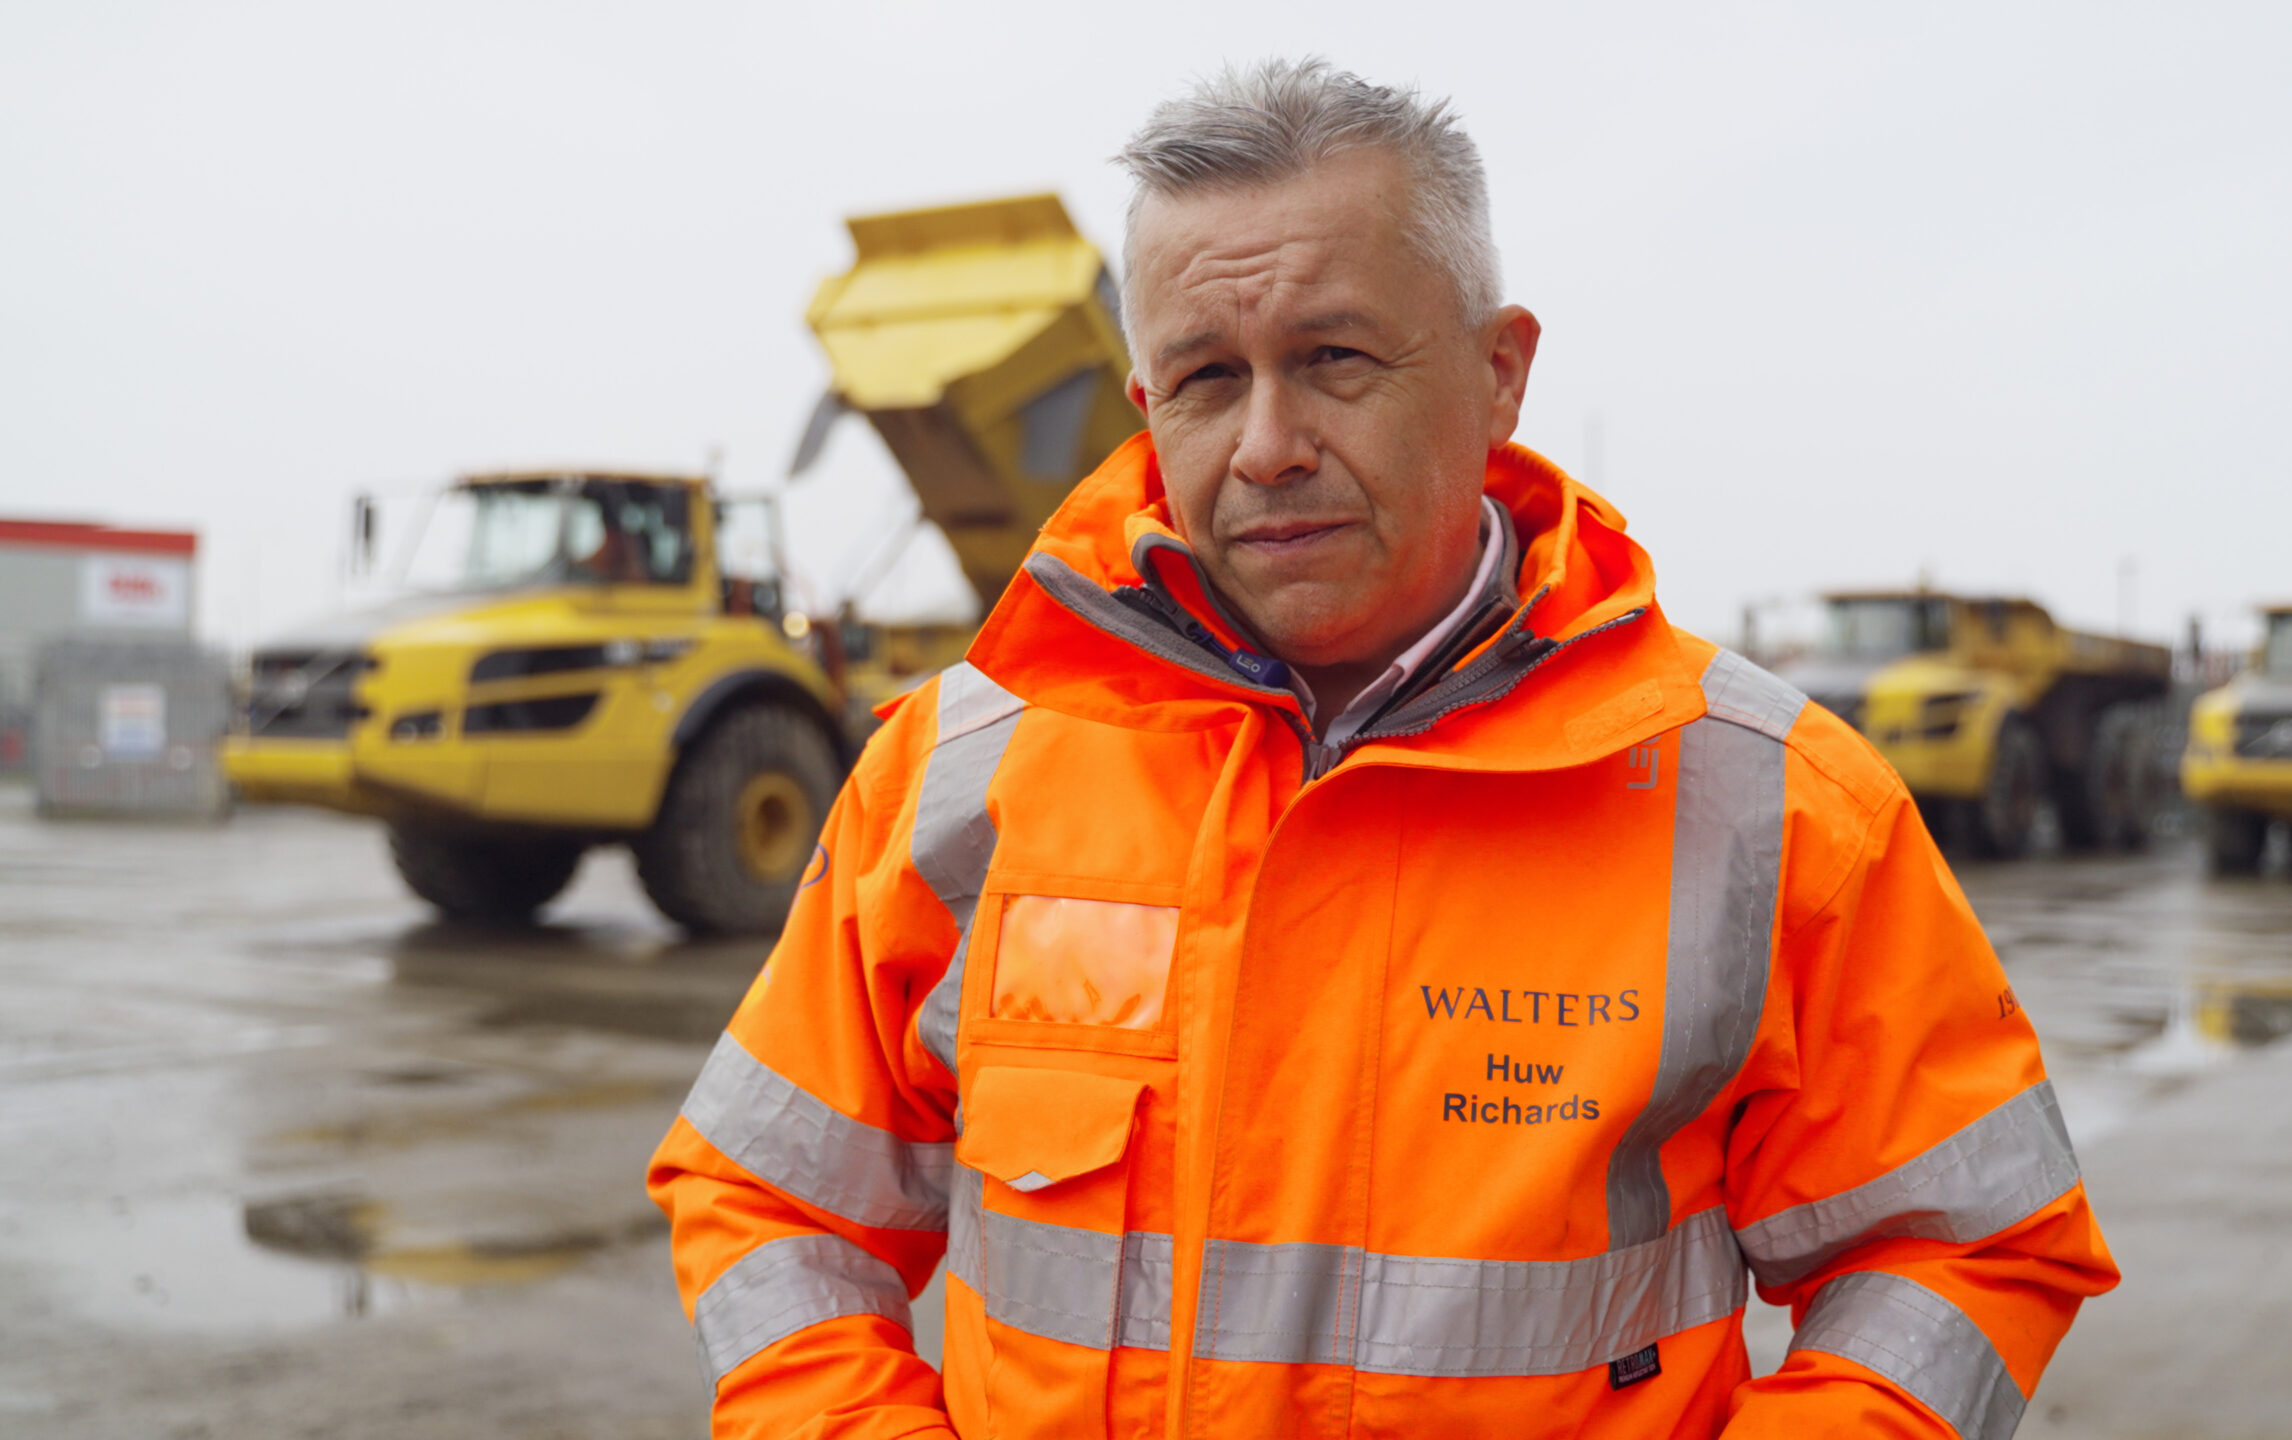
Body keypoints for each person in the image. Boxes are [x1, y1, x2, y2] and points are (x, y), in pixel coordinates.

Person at [648, 58, 2116, 1440]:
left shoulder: (1766, 804)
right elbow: (771, 1200)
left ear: (1500, 375)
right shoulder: (961, 772)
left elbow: (1967, 1241)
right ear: (1146, 405)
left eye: (1334, 357)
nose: (1269, 443)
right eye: (1209, 379)